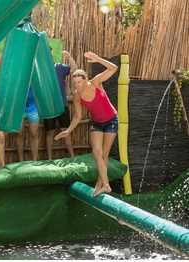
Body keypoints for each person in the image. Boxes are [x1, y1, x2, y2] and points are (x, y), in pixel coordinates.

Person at [54, 52, 118, 197]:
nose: (77, 85)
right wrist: (68, 131)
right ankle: (106, 185)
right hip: (97, 123)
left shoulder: (96, 83)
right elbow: (78, 116)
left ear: (86, 79)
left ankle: (100, 184)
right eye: (75, 83)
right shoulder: (77, 95)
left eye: (79, 82)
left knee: (104, 154)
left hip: (111, 121)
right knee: (97, 152)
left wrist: (98, 59)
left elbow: (114, 68)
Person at [44, 50, 78, 160]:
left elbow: (75, 70)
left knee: (66, 130)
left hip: (62, 104)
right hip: (48, 106)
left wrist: (69, 57)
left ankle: (72, 156)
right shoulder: (39, 69)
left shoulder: (59, 66)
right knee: (50, 132)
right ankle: (49, 158)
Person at [16, 86, 40, 161]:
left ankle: (34, 160)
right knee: (19, 133)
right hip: (19, 106)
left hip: (34, 106)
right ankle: (21, 160)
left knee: (34, 133)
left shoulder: (36, 74)